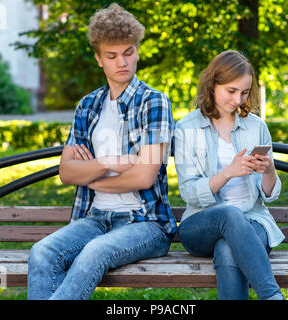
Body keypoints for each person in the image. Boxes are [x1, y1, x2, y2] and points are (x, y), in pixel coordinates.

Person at [27, 3, 176, 300]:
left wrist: (92, 176)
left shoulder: (154, 103)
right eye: (112, 56)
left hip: (145, 223)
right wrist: (109, 162)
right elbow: (66, 172)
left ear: (137, 51)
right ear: (98, 59)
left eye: (128, 52)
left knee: (94, 251)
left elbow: (144, 177)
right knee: (42, 251)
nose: (122, 62)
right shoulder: (88, 106)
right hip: (95, 218)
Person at [174, 50, 285, 300]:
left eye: (244, 92)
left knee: (227, 249)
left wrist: (268, 169)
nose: (238, 99)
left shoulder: (256, 126)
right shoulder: (186, 128)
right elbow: (189, 192)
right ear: (213, 84)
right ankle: (272, 296)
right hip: (201, 223)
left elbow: (270, 194)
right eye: (231, 91)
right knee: (230, 214)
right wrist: (228, 173)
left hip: (253, 221)